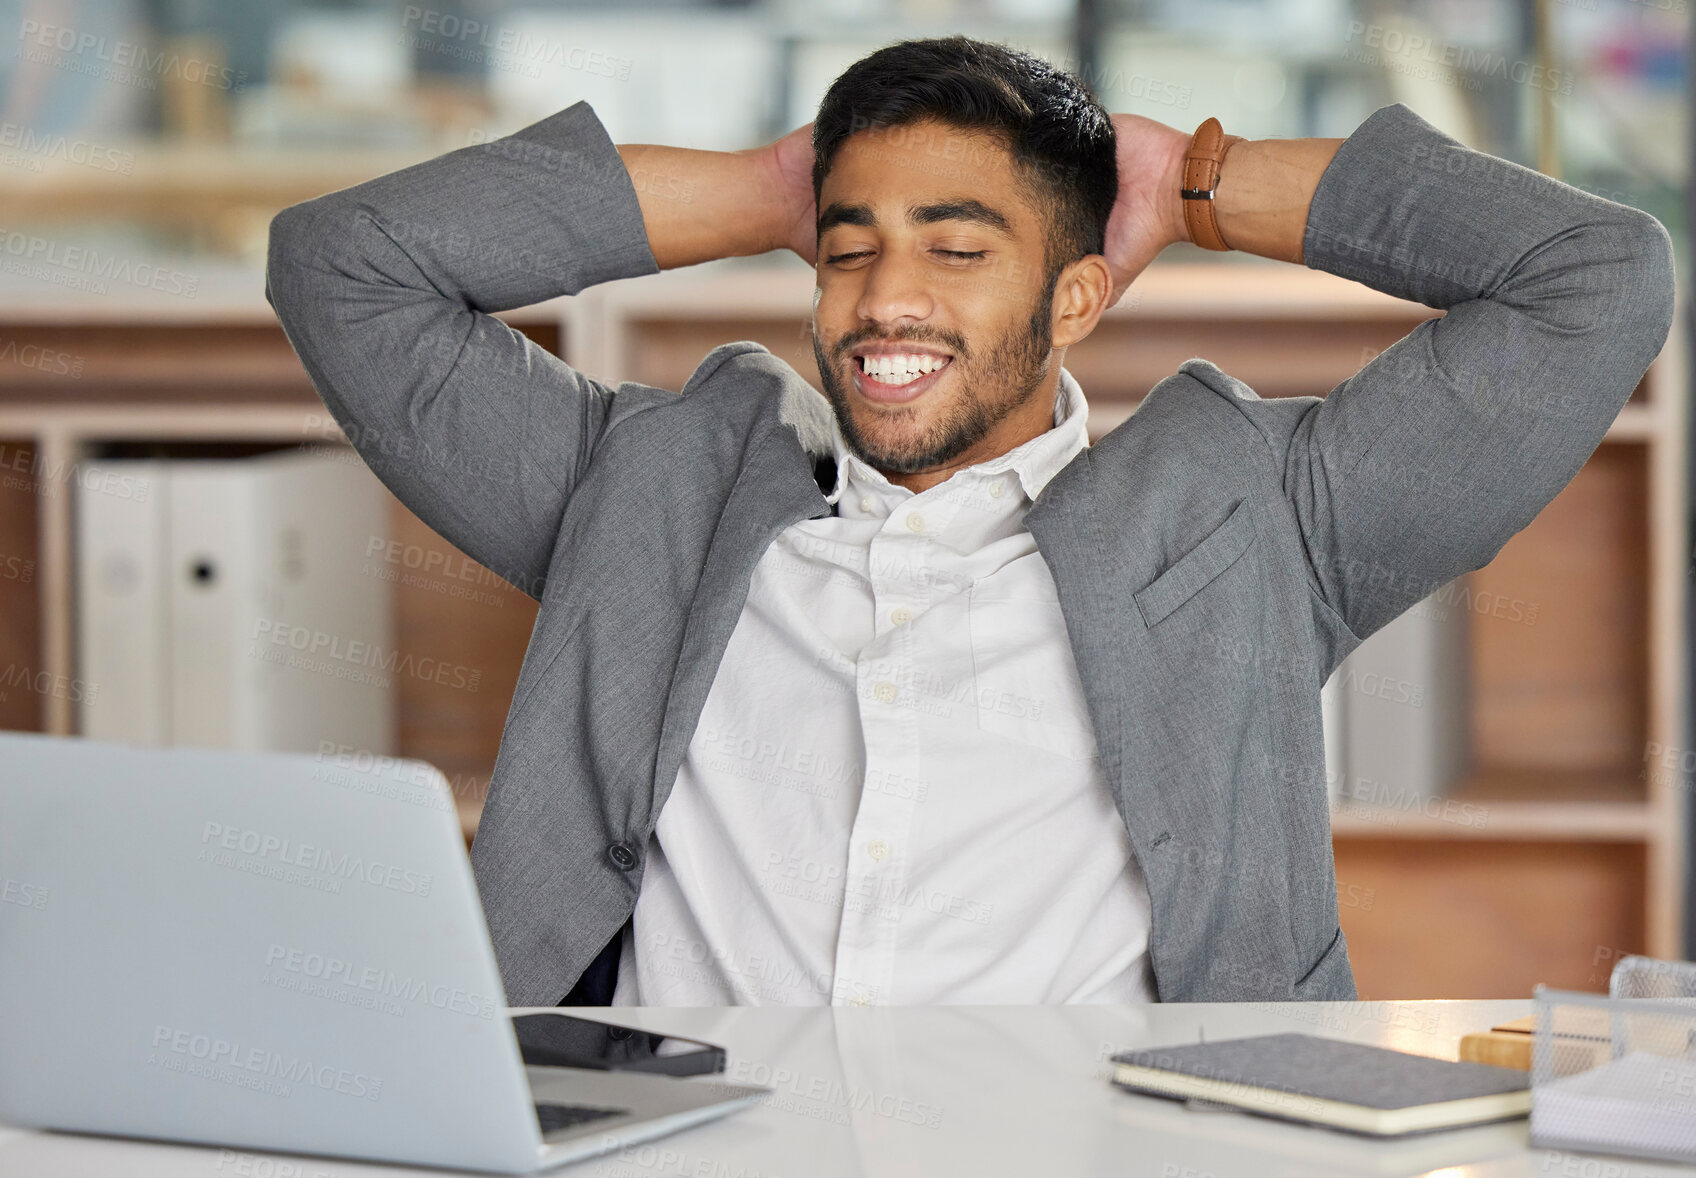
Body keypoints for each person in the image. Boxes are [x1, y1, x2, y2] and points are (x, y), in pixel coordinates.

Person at [266, 36, 1674, 1007]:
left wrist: (1194, 180)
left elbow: (1596, 276)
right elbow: (344, 265)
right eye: (850, 247)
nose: (887, 299)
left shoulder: (1256, 517)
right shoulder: (645, 494)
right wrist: (778, 182)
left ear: (1075, 298)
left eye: (958, 248)